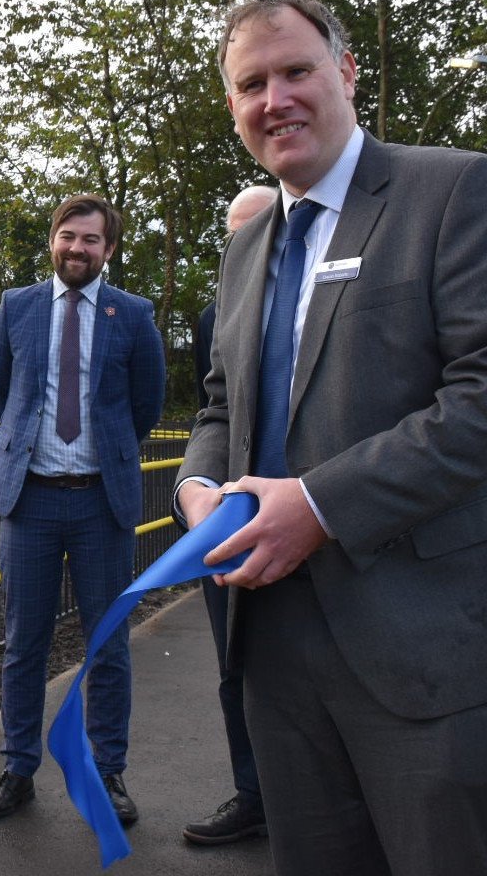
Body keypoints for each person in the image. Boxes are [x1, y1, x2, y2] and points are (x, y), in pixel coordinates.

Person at [176, 0, 487, 875]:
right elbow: (221, 404)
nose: (275, 100)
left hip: (433, 647)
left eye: (296, 70)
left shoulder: (457, 187)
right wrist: (198, 487)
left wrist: (318, 503)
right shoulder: (244, 248)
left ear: (346, 72)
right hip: (275, 648)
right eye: (250, 85)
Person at [0, 195, 166, 824]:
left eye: (90, 240)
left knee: (106, 645)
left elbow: (146, 406)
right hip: (28, 502)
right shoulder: (16, 306)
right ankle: (18, 769)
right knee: (23, 644)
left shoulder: (133, 315)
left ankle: (109, 774)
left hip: (99, 505)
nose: (76, 249)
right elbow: (1, 393)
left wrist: (101, 455)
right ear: (52, 241)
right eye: (66, 236)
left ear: (109, 250)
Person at [184, 183, 275, 847]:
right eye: (238, 236)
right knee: (235, 667)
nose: (252, 245)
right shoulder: (217, 315)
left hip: (316, 521)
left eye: (263, 228)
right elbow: (212, 408)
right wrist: (196, 481)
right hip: (232, 527)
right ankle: (255, 795)